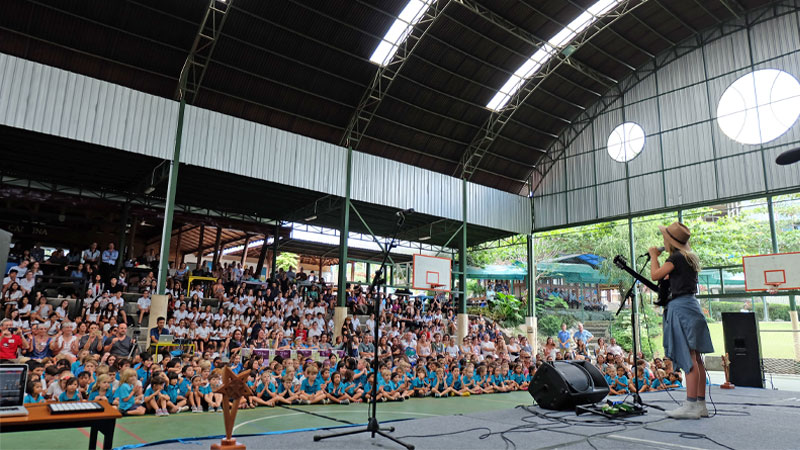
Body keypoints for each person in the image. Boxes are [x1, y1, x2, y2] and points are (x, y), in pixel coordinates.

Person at [649, 221, 713, 420]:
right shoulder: (689, 257)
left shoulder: (676, 257)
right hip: (692, 306)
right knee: (697, 358)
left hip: (681, 309)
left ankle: (690, 405)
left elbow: (654, 275)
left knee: (689, 358)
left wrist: (653, 256)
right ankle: (700, 404)